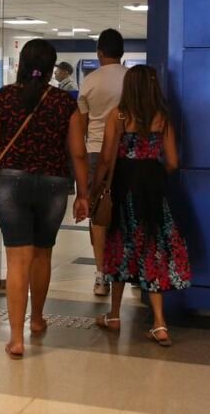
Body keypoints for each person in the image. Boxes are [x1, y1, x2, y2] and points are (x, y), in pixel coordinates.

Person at [0, 39, 90, 359]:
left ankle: (16, 339)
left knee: (17, 260)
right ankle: (36, 319)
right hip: (54, 185)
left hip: (11, 184)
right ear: (52, 69)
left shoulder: (4, 97)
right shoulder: (64, 103)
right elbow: (78, 153)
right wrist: (84, 194)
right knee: (42, 254)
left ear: (22, 64)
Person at [91, 65, 191, 346]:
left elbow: (106, 159)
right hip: (152, 190)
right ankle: (159, 324)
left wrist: (94, 190)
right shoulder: (162, 118)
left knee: (119, 246)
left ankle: (114, 315)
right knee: (152, 248)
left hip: (124, 186)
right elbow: (173, 162)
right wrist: (152, 172)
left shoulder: (118, 115)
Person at [76, 29, 127, 297]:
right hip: (126, 153)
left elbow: (82, 125)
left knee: (98, 214)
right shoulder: (131, 79)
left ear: (99, 53)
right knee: (124, 213)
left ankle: (100, 276)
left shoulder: (89, 81)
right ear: (122, 53)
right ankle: (126, 272)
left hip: (96, 152)